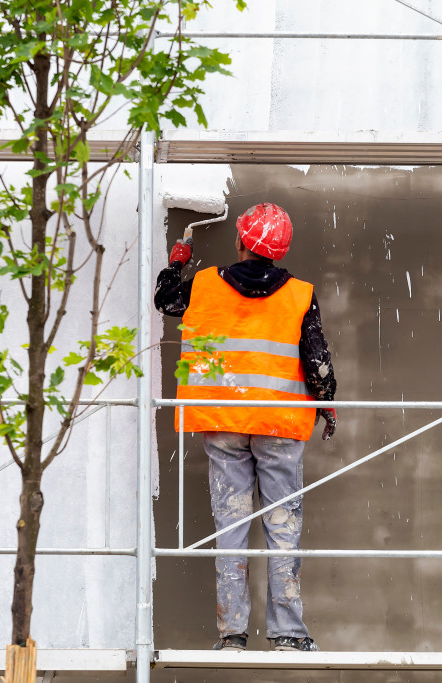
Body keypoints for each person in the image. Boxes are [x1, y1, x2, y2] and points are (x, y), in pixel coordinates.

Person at [154, 202, 337, 652]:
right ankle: (289, 635)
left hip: (222, 421)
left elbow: (165, 300)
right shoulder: (299, 294)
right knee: (282, 527)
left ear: (240, 242)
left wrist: (176, 262)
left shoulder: (204, 284)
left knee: (231, 528)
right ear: (279, 250)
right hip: (279, 425)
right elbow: (317, 365)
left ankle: (232, 635)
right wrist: (327, 403)